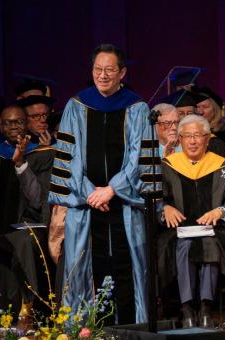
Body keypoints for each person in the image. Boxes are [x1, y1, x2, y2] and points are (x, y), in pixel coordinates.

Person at [48, 44, 153, 324]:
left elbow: (140, 157)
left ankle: (134, 334)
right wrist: (90, 194)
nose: (102, 75)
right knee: (83, 268)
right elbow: (67, 157)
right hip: (86, 208)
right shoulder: (76, 106)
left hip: (125, 207)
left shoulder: (138, 108)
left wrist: (112, 189)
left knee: (128, 269)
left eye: (109, 70)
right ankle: (86, 338)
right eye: (97, 69)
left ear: (122, 72)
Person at [158, 114, 225, 329]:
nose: (193, 141)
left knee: (208, 245)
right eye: (187, 136)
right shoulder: (168, 166)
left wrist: (220, 212)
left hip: (214, 231)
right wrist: (165, 208)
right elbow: (155, 200)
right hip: (176, 232)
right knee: (182, 247)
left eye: (198, 136)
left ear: (208, 139)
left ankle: (205, 309)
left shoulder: (223, 167)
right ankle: (186, 309)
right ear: (180, 139)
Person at [0, 103, 50, 312]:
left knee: (25, 240)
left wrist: (20, 164)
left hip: (27, 224)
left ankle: (30, 306)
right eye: (8, 122)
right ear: (1, 126)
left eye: (19, 121)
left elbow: (37, 201)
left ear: (26, 124)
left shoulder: (42, 154)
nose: (14, 126)